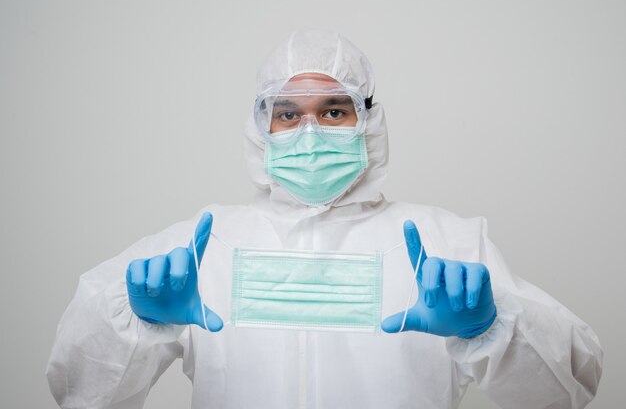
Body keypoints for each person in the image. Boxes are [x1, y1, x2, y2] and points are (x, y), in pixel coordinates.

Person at [46, 29, 602, 409]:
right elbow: (78, 390)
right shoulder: (204, 244)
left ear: (368, 123)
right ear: (261, 129)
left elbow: (567, 390)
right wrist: (137, 324)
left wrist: (493, 327)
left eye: (333, 111)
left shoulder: (445, 243)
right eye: (288, 114)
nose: (309, 132)